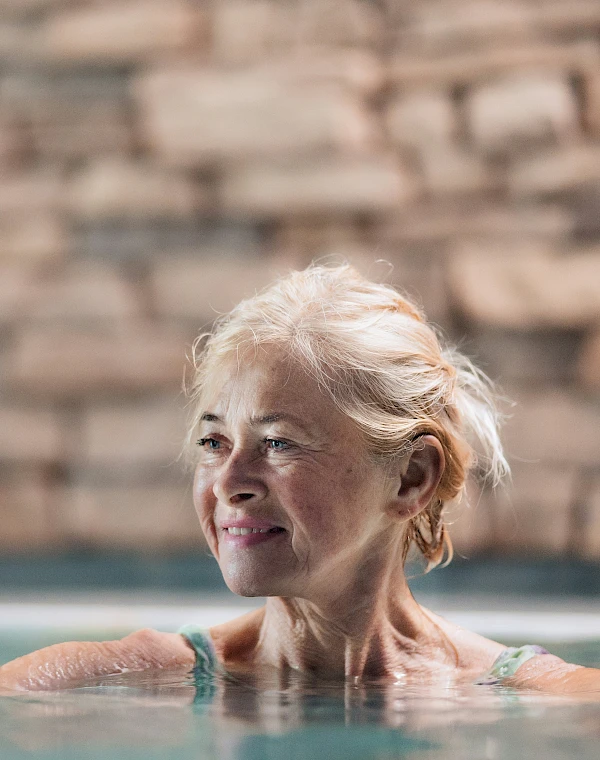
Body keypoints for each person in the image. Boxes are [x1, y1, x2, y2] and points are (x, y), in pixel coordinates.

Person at [1, 264, 598, 694]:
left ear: (410, 479)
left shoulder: (546, 699)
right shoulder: (101, 682)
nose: (228, 481)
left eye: (278, 443)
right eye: (214, 442)